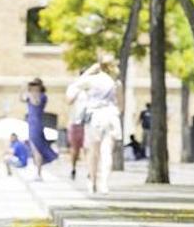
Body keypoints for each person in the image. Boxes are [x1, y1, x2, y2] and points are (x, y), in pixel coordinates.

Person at [69, 56, 122, 193]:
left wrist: (89, 71)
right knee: (107, 151)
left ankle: (92, 182)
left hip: (95, 117)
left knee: (94, 152)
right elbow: (121, 105)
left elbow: (75, 86)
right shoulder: (116, 82)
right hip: (111, 116)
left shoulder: (92, 80)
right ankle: (103, 183)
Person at [22, 78, 58, 179]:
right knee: (34, 147)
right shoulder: (30, 95)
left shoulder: (42, 96)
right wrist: (23, 88)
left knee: (37, 147)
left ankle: (38, 173)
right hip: (31, 123)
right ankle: (38, 171)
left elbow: (36, 103)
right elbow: (21, 98)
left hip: (37, 124)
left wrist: (31, 94)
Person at [65, 69, 90, 179]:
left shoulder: (93, 88)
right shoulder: (73, 87)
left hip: (89, 122)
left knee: (88, 147)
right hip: (75, 121)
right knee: (75, 148)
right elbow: (69, 101)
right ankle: (73, 168)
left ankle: (90, 170)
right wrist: (79, 90)